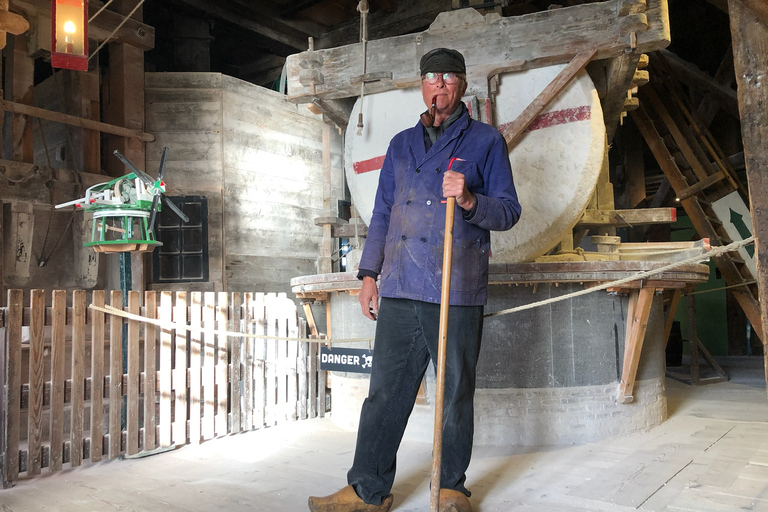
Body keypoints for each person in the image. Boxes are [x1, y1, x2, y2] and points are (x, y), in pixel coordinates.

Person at [308, 47, 521, 512]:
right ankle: (367, 490)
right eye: (430, 77)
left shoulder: (485, 142)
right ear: (421, 86)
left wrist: (468, 201)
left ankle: (450, 489)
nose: (438, 84)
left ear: (462, 85)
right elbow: (382, 213)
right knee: (385, 391)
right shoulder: (402, 144)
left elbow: (508, 211)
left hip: (455, 287)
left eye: (447, 77)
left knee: (454, 392)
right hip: (402, 285)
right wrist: (368, 275)